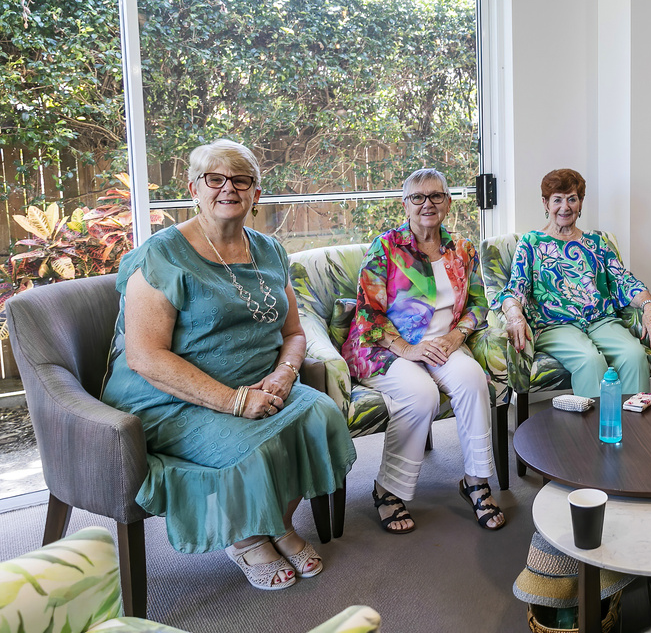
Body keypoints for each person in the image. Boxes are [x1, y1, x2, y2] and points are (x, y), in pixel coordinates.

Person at [101, 139, 356, 591]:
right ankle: (247, 537)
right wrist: (234, 401)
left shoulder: (270, 251)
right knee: (253, 442)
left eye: (241, 180)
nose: (228, 189)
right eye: (214, 179)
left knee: (322, 415)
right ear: (193, 189)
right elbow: (145, 355)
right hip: (170, 397)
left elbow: (294, 333)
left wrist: (282, 376)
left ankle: (277, 521)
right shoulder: (161, 255)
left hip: (259, 381)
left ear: (256, 194)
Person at [342, 168, 504, 534]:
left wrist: (457, 337)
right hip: (387, 347)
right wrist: (407, 349)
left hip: (443, 343)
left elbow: (478, 304)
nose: (427, 204)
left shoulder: (461, 249)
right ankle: (388, 489)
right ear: (406, 205)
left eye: (435, 196)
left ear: (447, 202)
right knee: (421, 395)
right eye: (418, 197)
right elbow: (367, 311)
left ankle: (476, 481)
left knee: (473, 379)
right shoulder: (386, 248)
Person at [497, 168, 651, 397]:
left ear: (581, 203)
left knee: (634, 355)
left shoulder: (596, 242)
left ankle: (633, 429)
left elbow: (623, 279)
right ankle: (593, 431)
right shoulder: (531, 243)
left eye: (572, 199)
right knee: (589, 360)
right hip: (555, 325)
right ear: (546, 204)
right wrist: (515, 315)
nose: (565, 207)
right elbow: (516, 287)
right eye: (557, 199)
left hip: (600, 320)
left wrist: (649, 305)